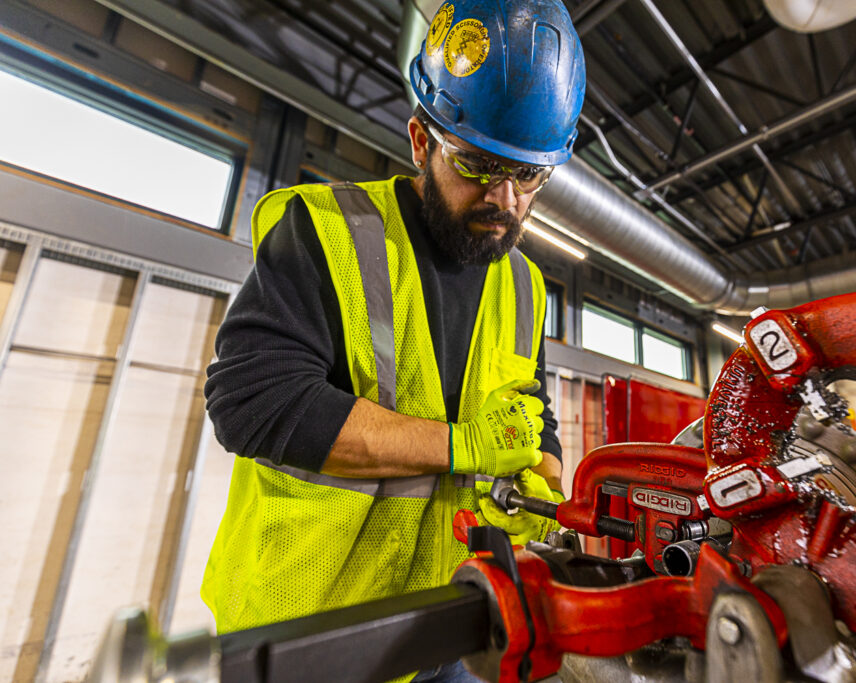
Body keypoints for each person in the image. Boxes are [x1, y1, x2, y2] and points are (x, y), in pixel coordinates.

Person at [200, 1, 584, 678]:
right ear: (419, 141)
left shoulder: (523, 284)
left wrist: (544, 482)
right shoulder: (327, 230)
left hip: (452, 617)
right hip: (314, 633)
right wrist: (460, 446)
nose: (505, 200)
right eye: (476, 166)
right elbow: (251, 401)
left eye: (528, 176)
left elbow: (533, 410)